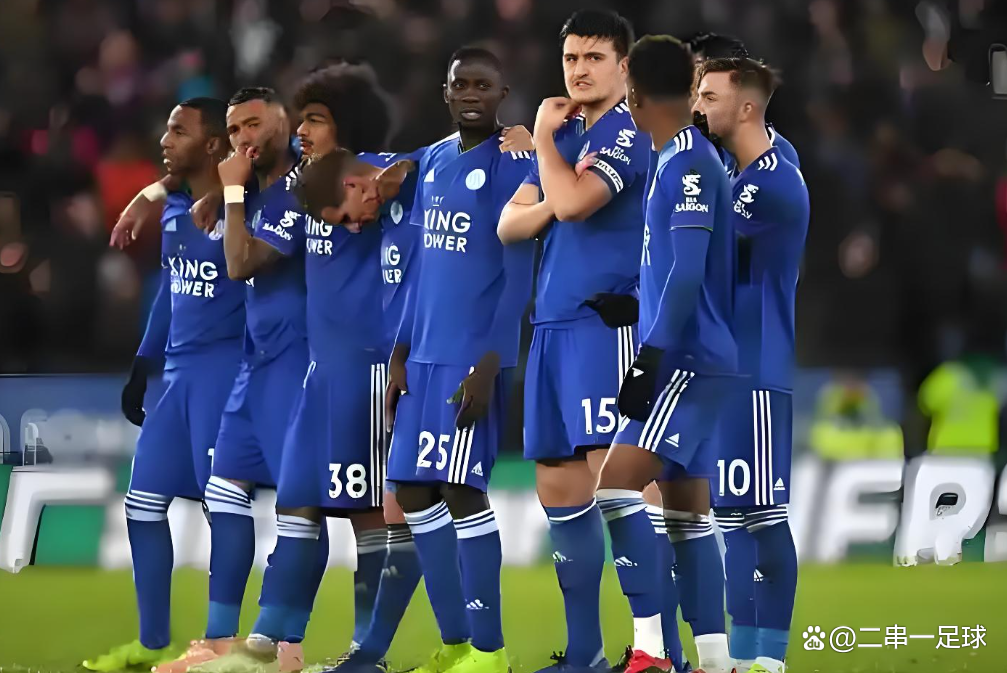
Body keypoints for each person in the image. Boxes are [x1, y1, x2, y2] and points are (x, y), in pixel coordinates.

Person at [498, 10, 676, 673]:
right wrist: (558, 175)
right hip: (551, 326)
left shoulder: (630, 132)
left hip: (607, 327)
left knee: (620, 488)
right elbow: (510, 224)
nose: (578, 69)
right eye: (571, 58)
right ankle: (584, 654)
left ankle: (659, 650)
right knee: (558, 484)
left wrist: (545, 144)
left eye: (594, 57)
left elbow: (573, 206)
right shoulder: (573, 137)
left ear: (624, 66)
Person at [383, 46, 535, 673]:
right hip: (422, 356)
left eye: (483, 85)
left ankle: (490, 650)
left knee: (462, 489)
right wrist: (399, 352)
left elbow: (517, 273)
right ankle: (454, 641)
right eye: (460, 85)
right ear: (446, 93)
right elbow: (421, 267)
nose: (471, 94)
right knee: (413, 490)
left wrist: (492, 361)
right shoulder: (433, 160)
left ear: (502, 95)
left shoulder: (513, 162)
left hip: (471, 358)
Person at [83, 98, 245, 672]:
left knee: (223, 506)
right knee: (142, 505)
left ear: (212, 145)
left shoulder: (241, 208)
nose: (165, 139)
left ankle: (222, 644)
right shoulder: (175, 208)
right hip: (176, 378)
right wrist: (142, 363)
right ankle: (151, 642)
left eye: (179, 130)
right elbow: (171, 293)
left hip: (223, 374)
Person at [602, 34, 738, 673]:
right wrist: (636, 306)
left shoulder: (686, 162)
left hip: (685, 360)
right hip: (698, 354)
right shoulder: (679, 156)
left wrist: (648, 357)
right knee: (685, 513)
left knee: (615, 487)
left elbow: (687, 271)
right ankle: (715, 657)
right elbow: (677, 271)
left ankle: (651, 650)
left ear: (633, 95)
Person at [692, 57, 810, 673]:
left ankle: (771, 657)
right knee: (732, 517)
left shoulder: (770, 183)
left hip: (756, 365)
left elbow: (704, 255)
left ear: (745, 108)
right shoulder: (748, 169)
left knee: (761, 516)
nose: (698, 107)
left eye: (709, 96)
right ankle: (746, 655)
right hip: (728, 368)